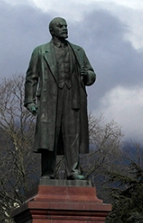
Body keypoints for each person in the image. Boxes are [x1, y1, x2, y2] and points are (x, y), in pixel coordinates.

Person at [24, 17, 96, 180]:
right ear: (52, 31)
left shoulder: (78, 51)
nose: (64, 28)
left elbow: (92, 74)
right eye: (60, 26)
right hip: (49, 100)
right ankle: (48, 172)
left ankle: (73, 171)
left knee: (72, 136)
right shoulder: (40, 51)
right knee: (50, 136)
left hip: (73, 99)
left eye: (66, 26)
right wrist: (29, 101)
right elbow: (32, 77)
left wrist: (87, 75)